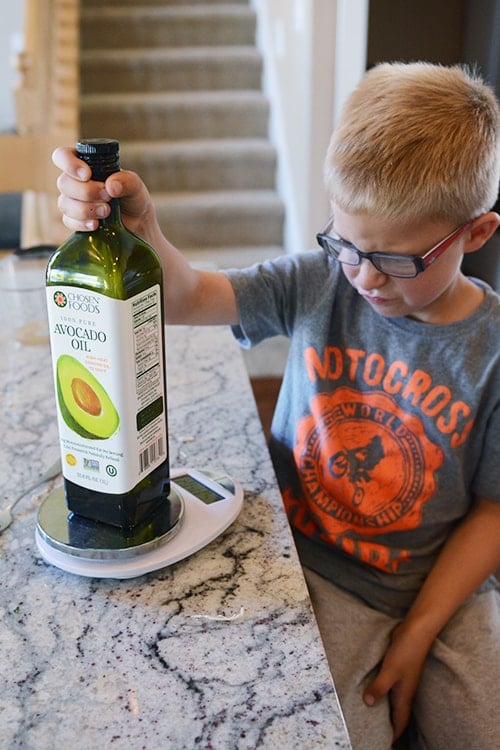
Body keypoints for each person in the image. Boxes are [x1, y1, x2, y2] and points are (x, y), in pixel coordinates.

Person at [53, 62, 500, 750]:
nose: (363, 276)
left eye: (397, 260)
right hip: (311, 563)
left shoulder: (491, 351)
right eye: (346, 243)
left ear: (476, 233)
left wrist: (416, 632)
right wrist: (142, 234)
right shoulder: (321, 280)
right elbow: (188, 296)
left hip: (443, 581)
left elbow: (493, 511)